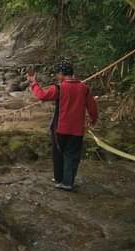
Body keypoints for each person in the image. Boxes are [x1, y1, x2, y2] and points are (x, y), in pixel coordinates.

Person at [28, 61, 98, 191]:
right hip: (77, 129)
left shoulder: (59, 88)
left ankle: (59, 179)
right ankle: (68, 182)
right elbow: (92, 107)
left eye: (57, 73)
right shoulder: (84, 88)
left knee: (58, 153)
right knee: (72, 155)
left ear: (61, 74)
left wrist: (34, 83)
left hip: (59, 128)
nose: (56, 76)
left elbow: (42, 96)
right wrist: (93, 120)